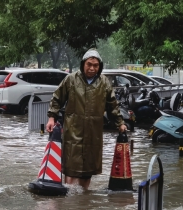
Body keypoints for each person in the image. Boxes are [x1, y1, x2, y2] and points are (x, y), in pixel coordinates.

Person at [46, 49, 127, 190]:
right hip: (73, 131)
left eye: (95, 65)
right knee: (70, 167)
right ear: (83, 64)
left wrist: (120, 123)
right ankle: (68, 201)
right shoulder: (71, 80)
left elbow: (113, 106)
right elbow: (57, 98)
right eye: (89, 64)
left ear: (100, 66)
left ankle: (84, 198)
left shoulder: (104, 83)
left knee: (88, 169)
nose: (92, 68)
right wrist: (52, 118)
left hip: (93, 132)